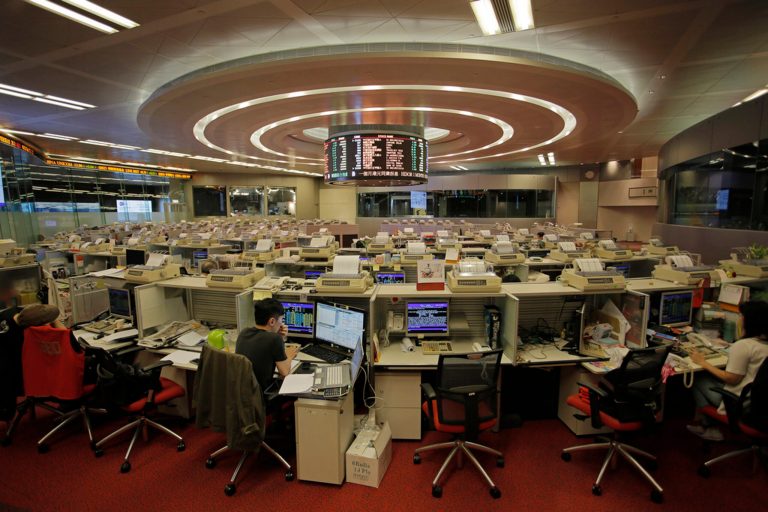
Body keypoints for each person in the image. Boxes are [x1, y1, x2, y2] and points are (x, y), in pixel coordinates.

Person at [687, 300, 768, 441]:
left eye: (742, 316)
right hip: (760, 404)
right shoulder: (760, 344)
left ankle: (710, 427)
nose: (740, 319)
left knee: (698, 379)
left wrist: (703, 363)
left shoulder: (744, 346)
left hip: (738, 402)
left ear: (750, 321)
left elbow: (732, 378)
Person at [1, 304, 62, 423]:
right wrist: (55, 321)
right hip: (23, 377)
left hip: (8, 376)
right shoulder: (23, 339)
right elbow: (65, 337)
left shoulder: (9, 315)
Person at [235, 298, 299, 395]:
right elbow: (284, 372)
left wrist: (279, 337)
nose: (282, 324)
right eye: (281, 319)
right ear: (272, 321)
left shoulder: (243, 333)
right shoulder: (274, 339)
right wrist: (289, 355)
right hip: (261, 397)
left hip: (242, 395)